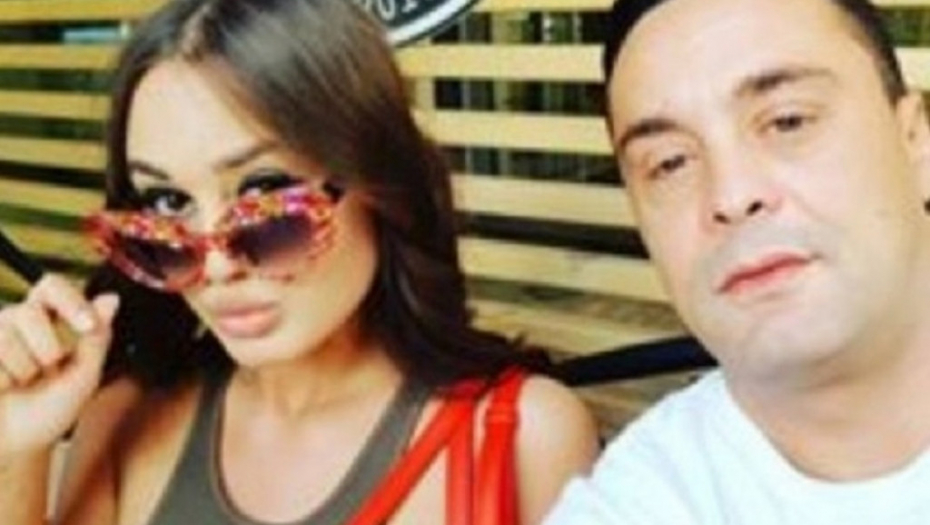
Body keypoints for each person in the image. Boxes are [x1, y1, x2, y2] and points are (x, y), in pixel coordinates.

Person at [0, 1, 599, 524]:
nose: (216, 267)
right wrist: (17, 451)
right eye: (168, 203)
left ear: (379, 184)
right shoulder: (125, 418)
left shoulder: (523, 438)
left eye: (265, 192)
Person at [543, 0, 930, 523]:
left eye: (788, 121)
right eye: (670, 163)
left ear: (915, 141)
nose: (731, 195)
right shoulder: (643, 498)